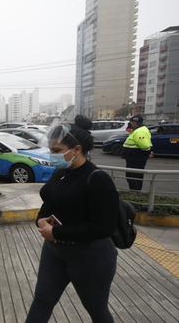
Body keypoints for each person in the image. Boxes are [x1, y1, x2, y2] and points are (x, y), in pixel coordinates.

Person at [26, 115, 119, 323]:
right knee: (42, 300)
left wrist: (56, 232)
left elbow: (104, 227)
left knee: (96, 309)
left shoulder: (97, 179)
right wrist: (41, 220)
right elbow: (48, 204)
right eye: (50, 149)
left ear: (76, 150)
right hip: (55, 252)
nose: (52, 155)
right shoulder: (61, 173)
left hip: (91, 258)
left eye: (57, 151)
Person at [122, 115, 152, 191]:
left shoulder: (140, 131)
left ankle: (135, 193)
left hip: (136, 159)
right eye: (131, 122)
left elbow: (145, 146)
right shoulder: (138, 130)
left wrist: (148, 152)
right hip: (134, 159)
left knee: (134, 177)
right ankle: (135, 192)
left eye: (132, 122)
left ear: (136, 123)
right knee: (133, 176)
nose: (131, 123)